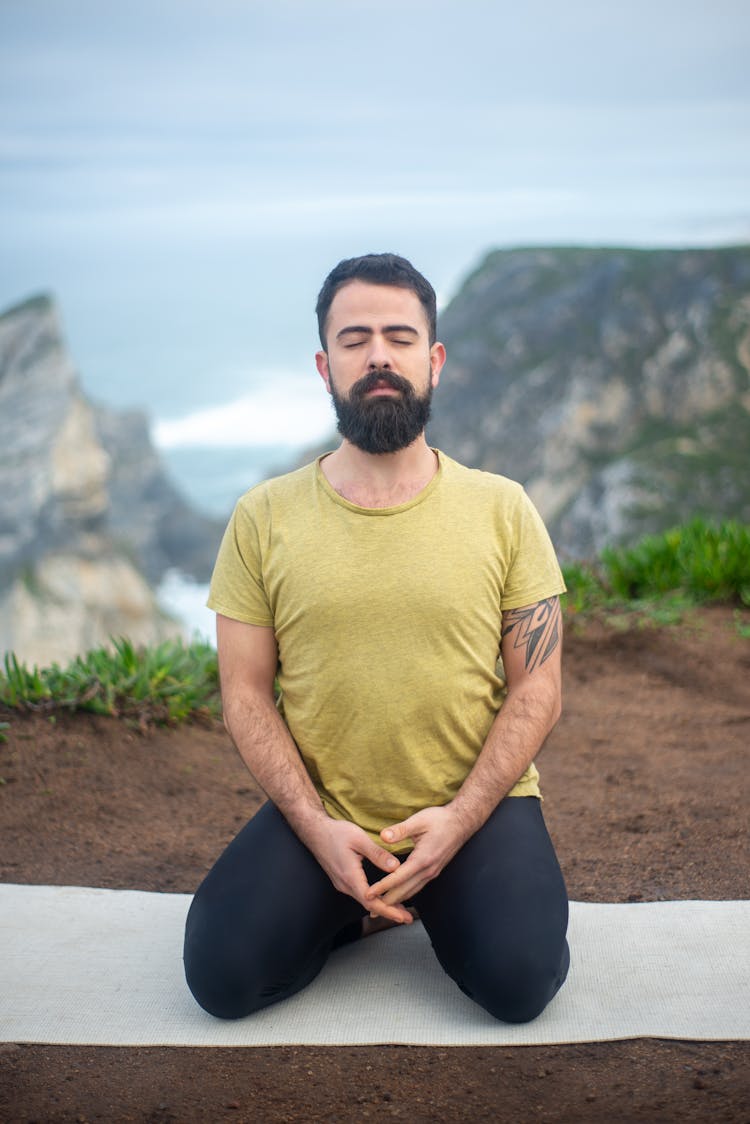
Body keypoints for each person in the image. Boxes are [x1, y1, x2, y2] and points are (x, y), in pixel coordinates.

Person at [183, 252, 570, 1024]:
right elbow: (245, 695)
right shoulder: (263, 517)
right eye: (356, 339)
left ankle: (431, 895)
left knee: (521, 982)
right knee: (221, 979)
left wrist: (459, 822)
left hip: (475, 808)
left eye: (399, 336)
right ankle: (357, 906)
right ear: (326, 365)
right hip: (327, 814)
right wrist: (316, 828)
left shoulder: (504, 508)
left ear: (434, 360)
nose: (379, 356)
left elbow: (539, 689)